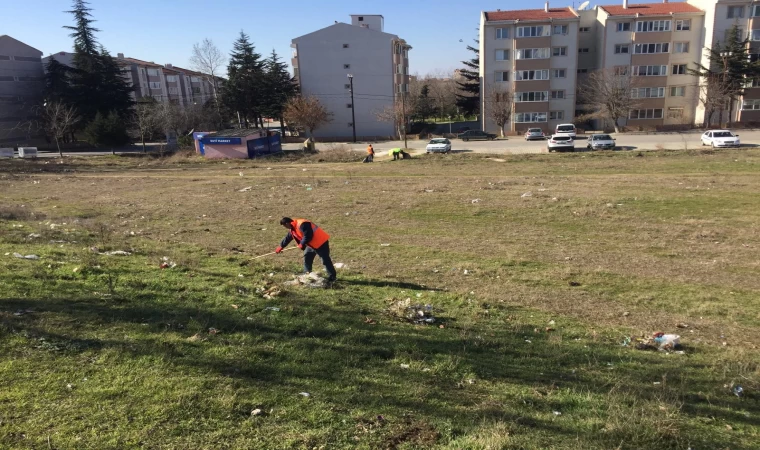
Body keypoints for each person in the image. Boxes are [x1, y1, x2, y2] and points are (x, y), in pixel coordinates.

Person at [275, 217, 336, 282]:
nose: (285, 227)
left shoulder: (302, 224)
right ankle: (307, 274)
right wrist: (281, 246)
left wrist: (302, 243)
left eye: (285, 226)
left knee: (325, 260)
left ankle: (332, 277)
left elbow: (308, 235)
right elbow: (288, 238)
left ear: (287, 223)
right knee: (307, 257)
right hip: (311, 244)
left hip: (321, 243)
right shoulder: (293, 228)